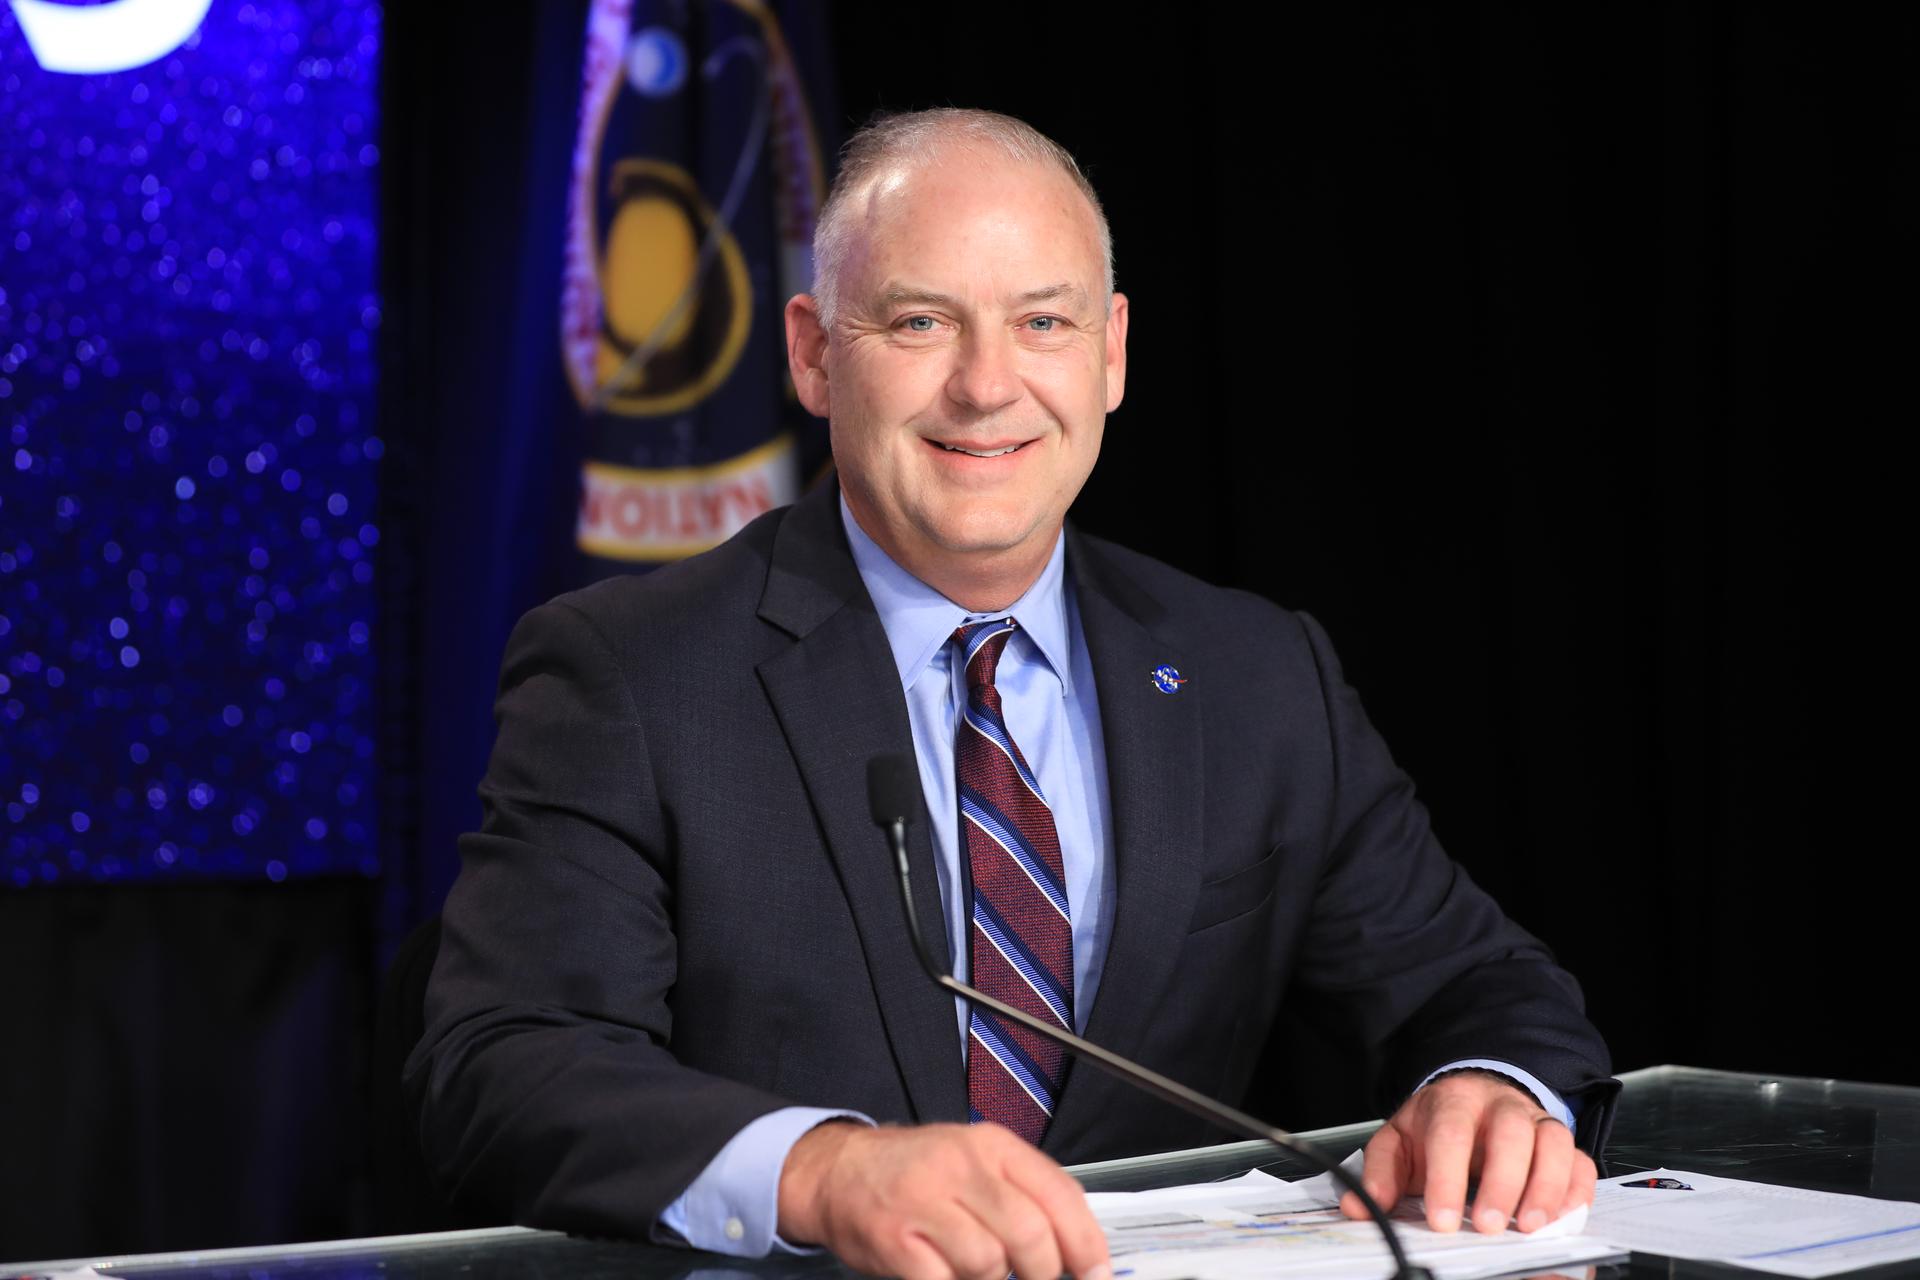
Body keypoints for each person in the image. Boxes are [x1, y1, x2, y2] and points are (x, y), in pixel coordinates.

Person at [407, 108, 1616, 1280]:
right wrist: (826, 1174)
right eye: (921, 320)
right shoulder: (630, 670)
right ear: (816, 354)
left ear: (1112, 354)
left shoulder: (1255, 672)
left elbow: (1480, 985)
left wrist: (1490, 1087)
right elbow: (505, 1068)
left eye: (1043, 321)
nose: (988, 386)